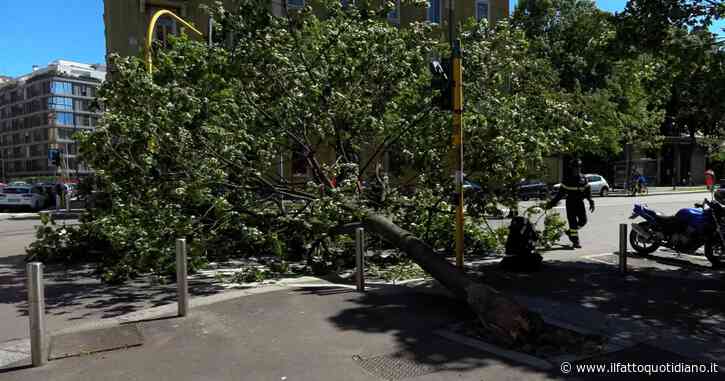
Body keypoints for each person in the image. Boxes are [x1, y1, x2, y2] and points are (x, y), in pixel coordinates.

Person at [547, 159, 595, 248]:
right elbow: (560, 194)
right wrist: (552, 203)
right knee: (573, 223)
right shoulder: (567, 179)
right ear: (572, 168)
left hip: (580, 203)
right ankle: (575, 241)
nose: (577, 169)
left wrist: (591, 201)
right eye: (575, 167)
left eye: (578, 167)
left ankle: (570, 233)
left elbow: (587, 191)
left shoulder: (583, 178)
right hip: (570, 204)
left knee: (583, 221)